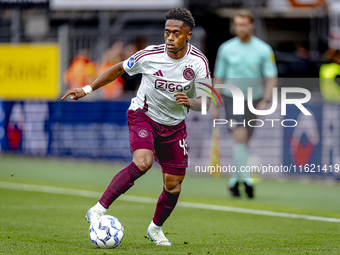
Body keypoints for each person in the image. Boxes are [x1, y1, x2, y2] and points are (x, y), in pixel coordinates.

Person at [61, 8, 211, 246]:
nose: (170, 37)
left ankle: (155, 229)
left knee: (173, 184)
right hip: (144, 115)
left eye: (176, 33)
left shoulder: (198, 62)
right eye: (167, 32)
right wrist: (87, 89)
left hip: (174, 126)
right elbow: (119, 68)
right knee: (143, 162)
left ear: (188, 36)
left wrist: (189, 101)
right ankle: (98, 209)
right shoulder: (149, 55)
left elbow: (206, 102)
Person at [213, 10, 278, 198]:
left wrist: (266, 100)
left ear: (251, 25)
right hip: (232, 98)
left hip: (255, 98)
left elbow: (271, 77)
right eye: (237, 25)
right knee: (240, 137)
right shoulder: (226, 48)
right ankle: (247, 180)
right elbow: (218, 76)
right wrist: (215, 103)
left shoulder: (264, 49)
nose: (240, 28)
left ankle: (234, 181)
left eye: (244, 24)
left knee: (244, 141)